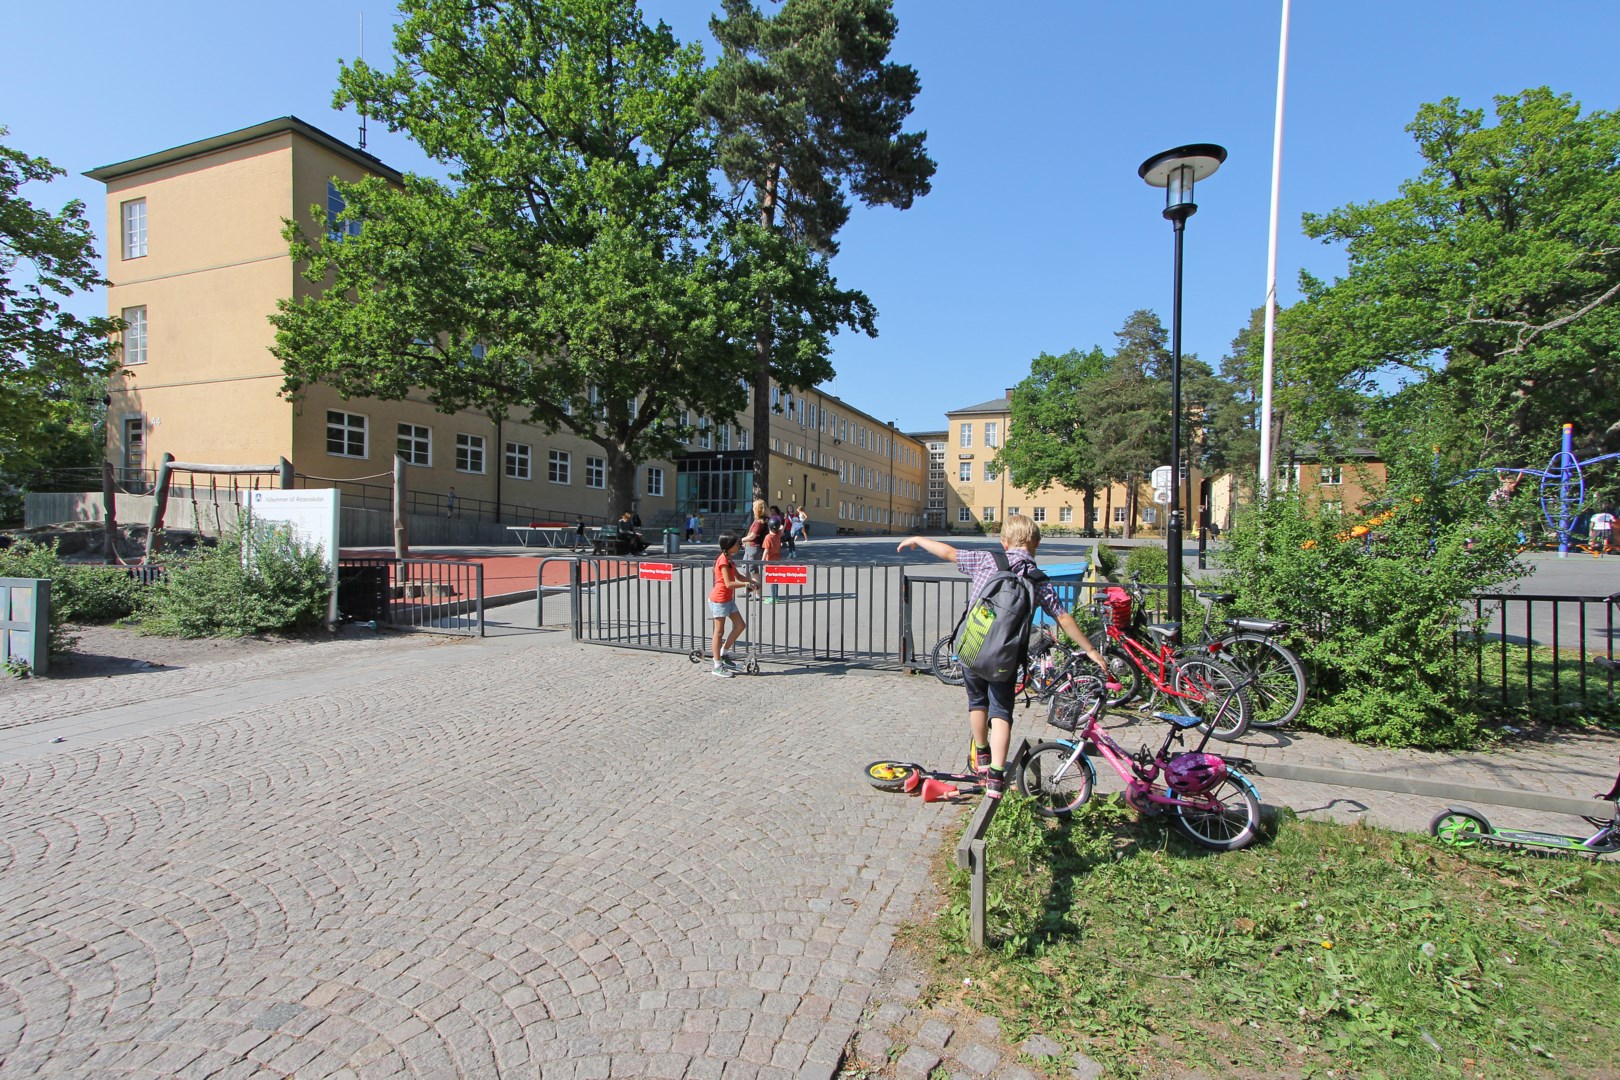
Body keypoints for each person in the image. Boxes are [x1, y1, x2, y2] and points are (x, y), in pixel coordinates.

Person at [897, 514, 1114, 799]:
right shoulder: (1037, 579)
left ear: (1004, 541)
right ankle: (996, 778)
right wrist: (1091, 650)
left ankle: (982, 754)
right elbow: (1063, 617)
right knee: (1001, 712)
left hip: (973, 649)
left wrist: (917, 539)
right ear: (1036, 544)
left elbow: (949, 552)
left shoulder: (987, 560)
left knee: (977, 702)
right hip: (1005, 659)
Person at [708, 531, 758, 678]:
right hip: (719, 600)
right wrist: (746, 585)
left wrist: (753, 582)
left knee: (740, 625)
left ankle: (723, 653)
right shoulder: (723, 560)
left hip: (727, 599)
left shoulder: (729, 559)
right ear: (729, 545)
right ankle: (717, 665)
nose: (739, 546)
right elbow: (729, 583)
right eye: (737, 544)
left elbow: (739, 576)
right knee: (719, 632)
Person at [741, 499, 768, 577]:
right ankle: (749, 584)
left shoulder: (759, 522)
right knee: (746, 568)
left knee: (751, 569)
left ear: (757, 509)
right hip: (752, 547)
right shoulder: (761, 520)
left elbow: (753, 536)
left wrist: (743, 539)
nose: (752, 509)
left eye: (754, 507)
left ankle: (754, 584)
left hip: (753, 547)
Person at [762, 519, 785, 602]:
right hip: (777, 559)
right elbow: (782, 527)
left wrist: (762, 560)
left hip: (770, 560)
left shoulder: (768, 537)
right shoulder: (778, 534)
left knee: (772, 579)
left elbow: (766, 550)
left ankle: (772, 597)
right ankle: (776, 596)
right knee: (776, 579)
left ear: (769, 527)